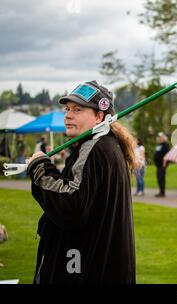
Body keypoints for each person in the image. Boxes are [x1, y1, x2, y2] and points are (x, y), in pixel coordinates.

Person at [25, 80, 137, 284]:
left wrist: (40, 168)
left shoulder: (94, 147)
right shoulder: (106, 145)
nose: (67, 115)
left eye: (77, 109)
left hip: (84, 270)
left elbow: (72, 206)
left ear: (99, 116)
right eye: (67, 109)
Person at [153, 132, 170, 197]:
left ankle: (162, 192)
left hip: (162, 165)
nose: (159, 138)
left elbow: (166, 155)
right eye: (159, 137)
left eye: (161, 137)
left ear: (164, 138)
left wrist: (164, 163)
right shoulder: (159, 145)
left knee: (161, 178)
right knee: (159, 178)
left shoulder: (165, 145)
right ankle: (160, 191)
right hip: (158, 165)